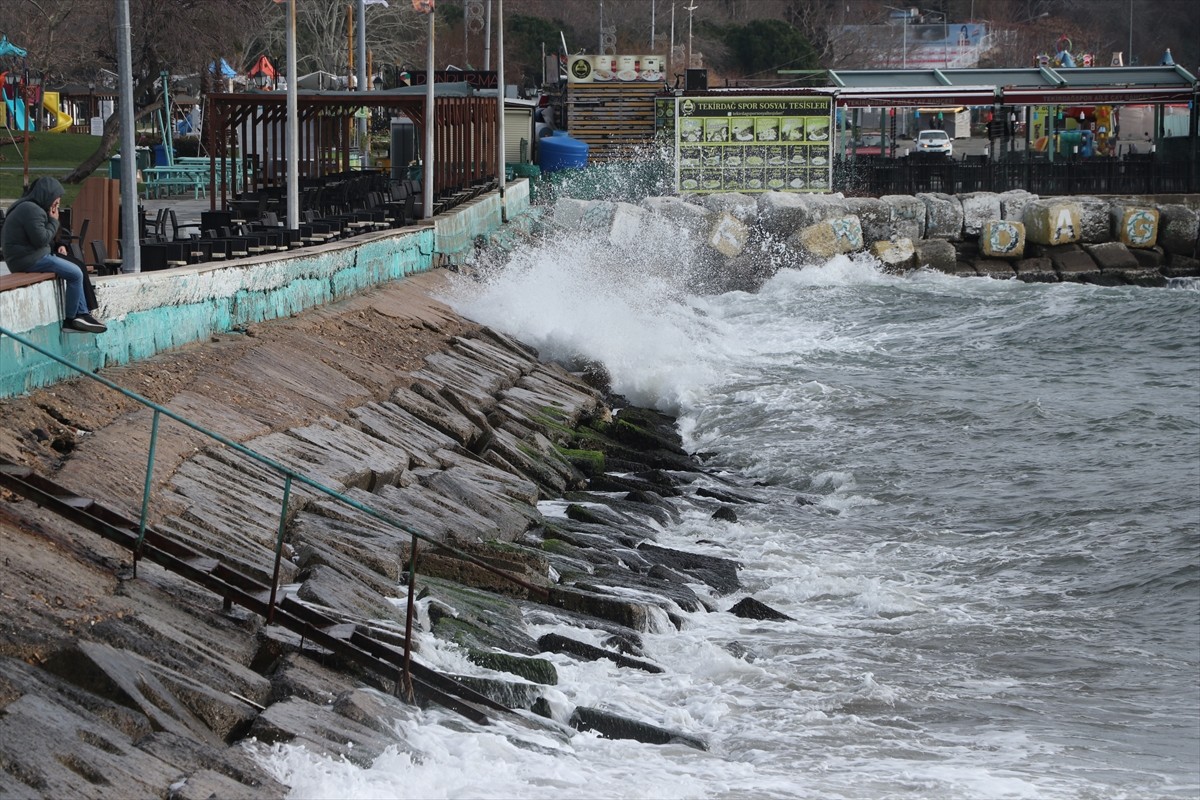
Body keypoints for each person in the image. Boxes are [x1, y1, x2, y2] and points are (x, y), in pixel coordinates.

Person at [1, 177, 106, 333]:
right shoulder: (31, 209)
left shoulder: (31, 208)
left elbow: (42, 239)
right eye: (55, 201)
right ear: (47, 195)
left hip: (30, 257)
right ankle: (71, 320)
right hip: (28, 260)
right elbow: (41, 239)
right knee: (75, 273)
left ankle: (82, 315)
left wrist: (57, 242)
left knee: (76, 268)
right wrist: (53, 220)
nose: (57, 205)